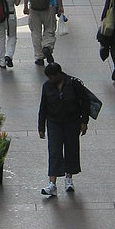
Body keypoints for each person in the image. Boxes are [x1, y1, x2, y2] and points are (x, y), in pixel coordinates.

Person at [38, 63, 89, 196]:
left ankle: (69, 178)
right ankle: (52, 184)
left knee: (71, 149)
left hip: (72, 122)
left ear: (59, 74)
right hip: (54, 123)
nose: (50, 80)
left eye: (52, 77)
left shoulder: (74, 84)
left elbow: (85, 102)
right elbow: (43, 106)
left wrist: (84, 121)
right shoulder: (47, 86)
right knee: (54, 150)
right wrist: (41, 127)